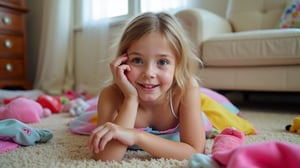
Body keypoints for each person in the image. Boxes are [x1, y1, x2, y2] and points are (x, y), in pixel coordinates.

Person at [87, 12, 206, 161]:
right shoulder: (111, 95)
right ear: (123, 61)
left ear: (178, 64)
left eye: (162, 62)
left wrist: (138, 137)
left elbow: (196, 152)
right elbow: (106, 157)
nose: (149, 73)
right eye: (137, 60)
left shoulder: (185, 90)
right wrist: (131, 99)